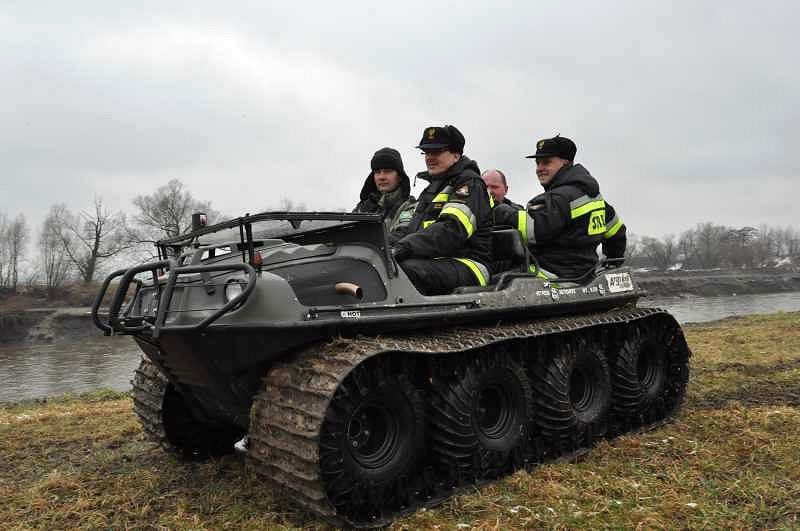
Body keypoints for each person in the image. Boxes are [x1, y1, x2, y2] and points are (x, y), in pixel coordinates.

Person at [493, 135, 626, 278]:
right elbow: (617, 231)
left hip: (551, 275)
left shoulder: (559, 198)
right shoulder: (593, 196)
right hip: (584, 275)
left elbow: (533, 230)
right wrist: (611, 262)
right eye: (538, 163)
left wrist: (499, 210)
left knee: (491, 283)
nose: (540, 168)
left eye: (546, 162)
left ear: (565, 163)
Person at [389, 125, 492, 295]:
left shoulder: (469, 184)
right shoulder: (432, 189)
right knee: (380, 266)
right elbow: (410, 229)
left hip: (469, 264)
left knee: (402, 271)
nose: (429, 157)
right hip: (436, 260)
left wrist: (405, 247)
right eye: (426, 152)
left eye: (436, 152)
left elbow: (451, 230)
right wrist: (381, 245)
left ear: (456, 155)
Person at [354, 147, 416, 232]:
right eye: (377, 172)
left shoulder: (409, 207)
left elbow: (400, 235)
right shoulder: (363, 206)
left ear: (400, 177)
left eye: (388, 171)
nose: (381, 177)